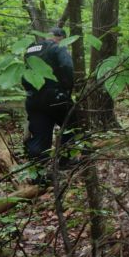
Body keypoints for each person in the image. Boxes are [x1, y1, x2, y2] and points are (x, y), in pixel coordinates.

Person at [22, 27, 76, 178]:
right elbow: (67, 67)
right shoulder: (58, 47)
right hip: (55, 96)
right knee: (71, 125)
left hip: (33, 99)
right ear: (60, 37)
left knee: (39, 136)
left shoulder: (30, 49)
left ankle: (38, 176)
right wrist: (67, 86)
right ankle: (66, 160)